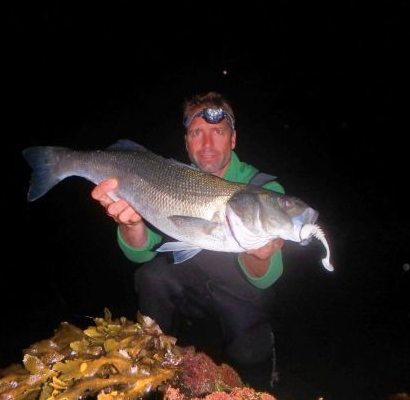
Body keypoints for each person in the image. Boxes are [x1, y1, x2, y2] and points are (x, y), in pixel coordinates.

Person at [91, 92, 285, 386]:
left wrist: (259, 253)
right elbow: (141, 253)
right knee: (151, 276)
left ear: (233, 139)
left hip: (240, 298)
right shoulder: (170, 177)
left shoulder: (264, 190)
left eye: (217, 132)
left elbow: (263, 278)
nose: (207, 144)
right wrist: (129, 223)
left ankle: (259, 376)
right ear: (187, 143)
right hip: (190, 293)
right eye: (197, 133)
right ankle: (155, 364)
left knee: (249, 355)